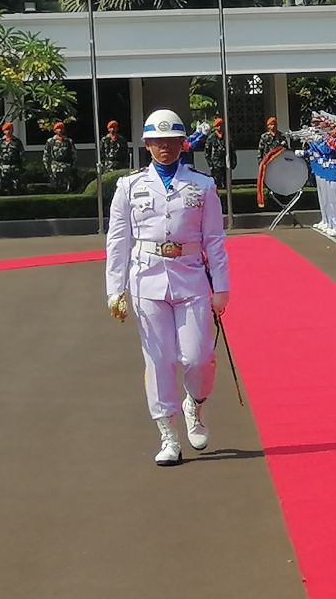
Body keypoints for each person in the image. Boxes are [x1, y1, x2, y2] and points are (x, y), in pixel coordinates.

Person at [104, 108, 230, 466]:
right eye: (157, 141)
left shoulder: (202, 185)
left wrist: (221, 288)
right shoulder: (129, 186)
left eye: (172, 141)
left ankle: (196, 403)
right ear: (146, 144)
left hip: (190, 275)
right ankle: (168, 435)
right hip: (146, 278)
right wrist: (115, 289)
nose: (164, 147)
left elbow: (215, 240)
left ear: (183, 144)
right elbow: (118, 240)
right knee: (158, 360)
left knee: (197, 356)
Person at [44, 121, 77, 192]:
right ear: (55, 130)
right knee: (56, 187)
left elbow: (74, 154)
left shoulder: (68, 141)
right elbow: (46, 155)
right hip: (55, 167)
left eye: (61, 128)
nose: (60, 130)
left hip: (66, 166)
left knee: (67, 187)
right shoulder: (51, 141)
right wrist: (47, 168)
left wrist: (73, 166)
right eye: (58, 128)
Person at [206, 118, 237, 189]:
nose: (219, 127)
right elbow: (207, 153)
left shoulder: (227, 137)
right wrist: (211, 165)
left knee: (227, 184)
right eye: (217, 125)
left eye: (221, 125)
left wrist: (233, 162)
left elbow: (232, 150)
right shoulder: (211, 138)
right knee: (217, 185)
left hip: (226, 163)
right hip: (216, 165)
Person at [0, 121, 25, 195]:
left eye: (10, 129)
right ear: (3, 130)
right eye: (6, 129)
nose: (8, 131)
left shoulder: (17, 141)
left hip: (15, 167)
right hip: (3, 167)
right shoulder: (0, 142)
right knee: (4, 186)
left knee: (16, 187)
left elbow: (21, 154)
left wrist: (22, 167)